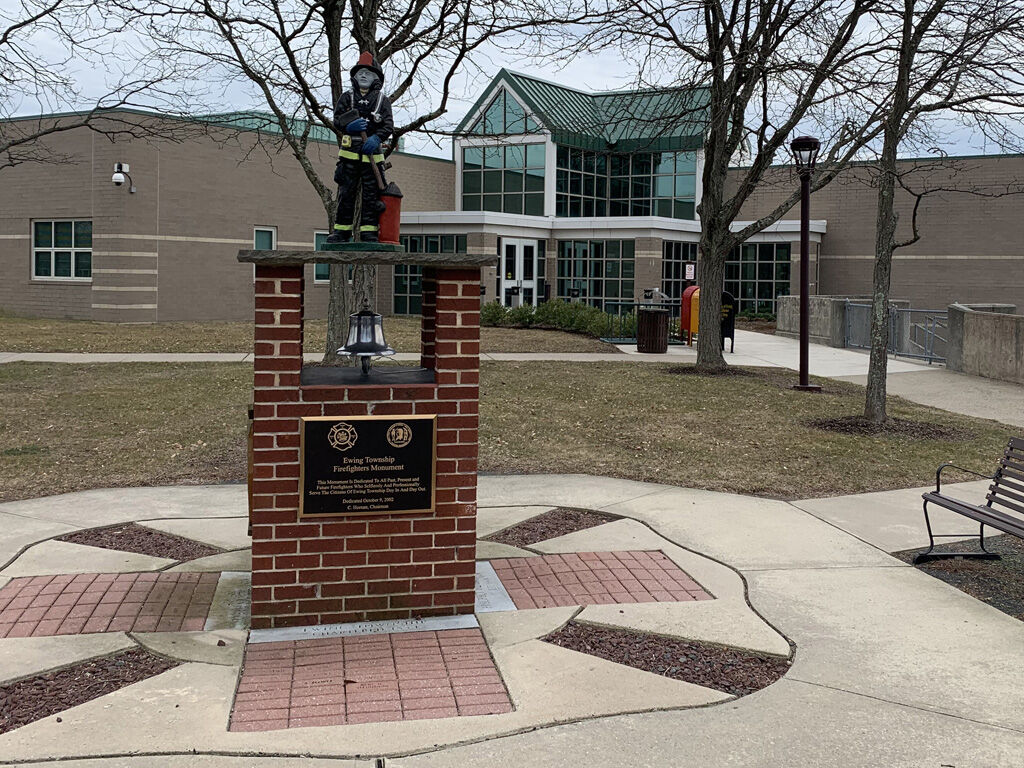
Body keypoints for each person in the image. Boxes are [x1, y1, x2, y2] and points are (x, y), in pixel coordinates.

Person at [325, 51, 394, 244]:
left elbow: (388, 125)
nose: (363, 75)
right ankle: (342, 232)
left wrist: (376, 138)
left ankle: (369, 233)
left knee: (371, 196)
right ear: (354, 76)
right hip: (349, 157)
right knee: (346, 194)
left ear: (377, 78)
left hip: (372, 157)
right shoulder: (347, 97)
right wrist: (348, 127)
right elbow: (337, 120)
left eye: (369, 73)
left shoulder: (382, 101)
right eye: (360, 72)